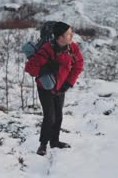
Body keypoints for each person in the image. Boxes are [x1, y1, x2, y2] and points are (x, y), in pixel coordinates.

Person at [24, 21, 84, 156]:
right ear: (59, 37)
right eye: (69, 34)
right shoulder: (47, 49)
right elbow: (30, 68)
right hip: (45, 88)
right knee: (49, 116)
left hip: (61, 87)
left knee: (58, 116)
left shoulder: (72, 48)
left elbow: (78, 65)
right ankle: (43, 144)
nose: (72, 36)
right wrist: (46, 68)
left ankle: (55, 142)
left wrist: (68, 83)